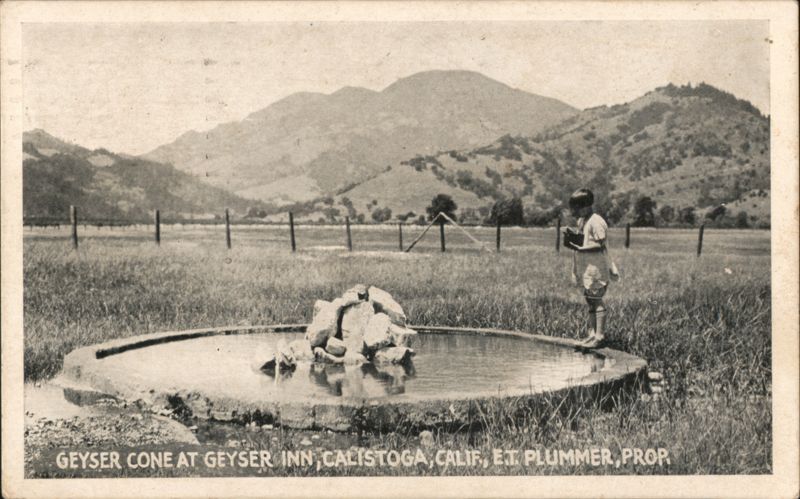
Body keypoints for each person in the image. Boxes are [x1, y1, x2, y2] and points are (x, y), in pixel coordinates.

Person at [565, 188, 619, 348]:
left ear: (586, 206)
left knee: (596, 300)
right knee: (590, 300)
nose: (574, 212)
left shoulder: (597, 221)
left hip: (596, 269)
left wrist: (581, 248)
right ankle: (592, 333)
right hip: (586, 269)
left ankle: (600, 335)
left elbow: (600, 244)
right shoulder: (583, 221)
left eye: (576, 208)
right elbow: (584, 238)